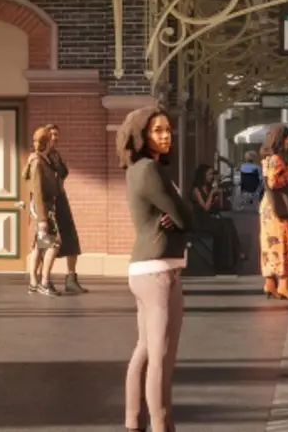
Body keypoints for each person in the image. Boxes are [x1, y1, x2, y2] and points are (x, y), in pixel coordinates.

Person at [116, 105, 189, 432]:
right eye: (157, 130)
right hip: (159, 271)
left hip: (147, 270)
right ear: (141, 135)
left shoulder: (140, 170)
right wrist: (178, 216)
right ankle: (163, 424)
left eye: (168, 130)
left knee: (146, 351)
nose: (166, 136)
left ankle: (134, 421)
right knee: (162, 356)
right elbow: (189, 218)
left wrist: (176, 216)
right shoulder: (150, 170)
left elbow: (179, 217)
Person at [23, 124, 86, 296]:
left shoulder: (53, 157)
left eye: (57, 135)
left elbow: (62, 174)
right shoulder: (36, 159)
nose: (54, 139)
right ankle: (39, 281)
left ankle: (42, 282)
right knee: (47, 243)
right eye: (51, 136)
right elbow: (34, 186)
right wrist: (41, 217)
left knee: (53, 241)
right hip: (44, 205)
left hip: (56, 200)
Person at [259, 126, 288, 301]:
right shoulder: (277, 159)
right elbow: (274, 182)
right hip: (277, 209)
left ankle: (270, 284)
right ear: (281, 139)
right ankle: (284, 285)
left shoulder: (267, 157)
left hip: (268, 206)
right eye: (287, 138)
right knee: (284, 243)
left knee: (269, 245)